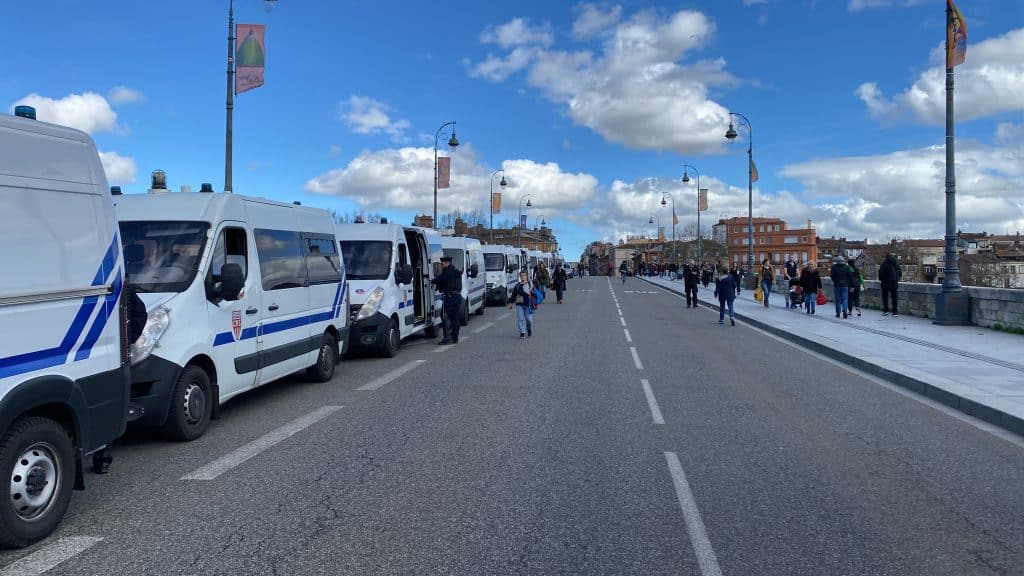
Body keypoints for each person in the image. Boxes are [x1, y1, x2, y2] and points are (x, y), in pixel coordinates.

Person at [93, 285, 147, 474]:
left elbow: (140, 315)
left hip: (103, 355)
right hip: (112, 354)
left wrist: (127, 339)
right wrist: (127, 339)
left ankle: (103, 457)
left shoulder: (124, 289)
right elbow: (140, 316)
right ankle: (103, 457)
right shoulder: (121, 287)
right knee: (106, 405)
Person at [431, 255, 463, 344]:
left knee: (446, 317)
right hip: (457, 296)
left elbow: (441, 279)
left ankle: (447, 337)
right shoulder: (456, 271)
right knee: (455, 317)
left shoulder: (448, 272)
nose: (442, 266)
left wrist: (432, 281)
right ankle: (455, 337)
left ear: (446, 263)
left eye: (442, 264)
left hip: (449, 297)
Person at [508, 270, 534, 338]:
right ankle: (522, 332)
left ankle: (529, 329)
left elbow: (534, 294)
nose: (523, 277)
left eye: (524, 275)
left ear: (526, 276)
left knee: (528, 319)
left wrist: (532, 294)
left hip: (528, 304)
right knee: (521, 318)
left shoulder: (530, 284)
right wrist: (511, 303)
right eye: (521, 275)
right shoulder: (517, 285)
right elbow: (513, 295)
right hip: (519, 304)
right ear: (519, 276)